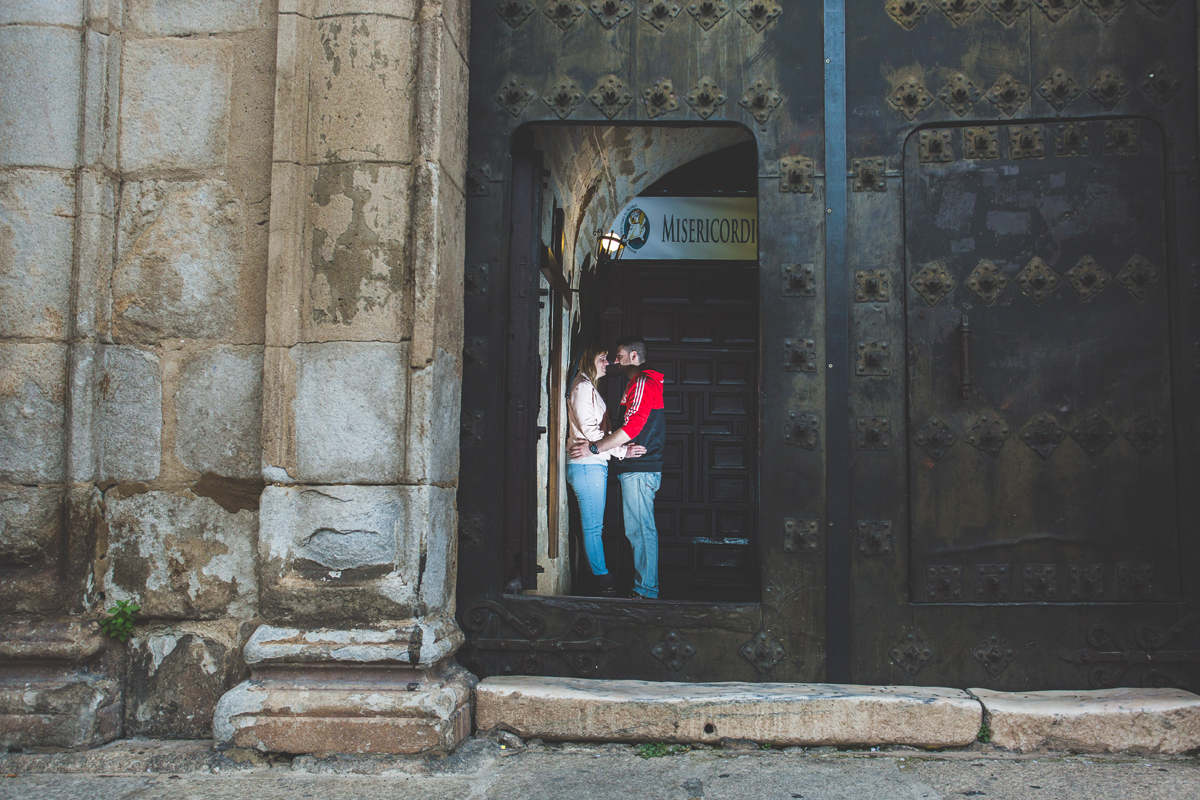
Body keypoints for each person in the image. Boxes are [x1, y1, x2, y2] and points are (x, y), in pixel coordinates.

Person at [568, 337, 665, 600]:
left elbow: (632, 429)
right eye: (607, 357)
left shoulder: (643, 383)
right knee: (635, 529)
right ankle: (643, 588)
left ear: (634, 356)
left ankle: (645, 591)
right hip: (629, 466)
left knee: (640, 529)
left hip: (640, 466)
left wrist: (596, 448)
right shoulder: (631, 384)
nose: (613, 361)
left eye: (618, 355)